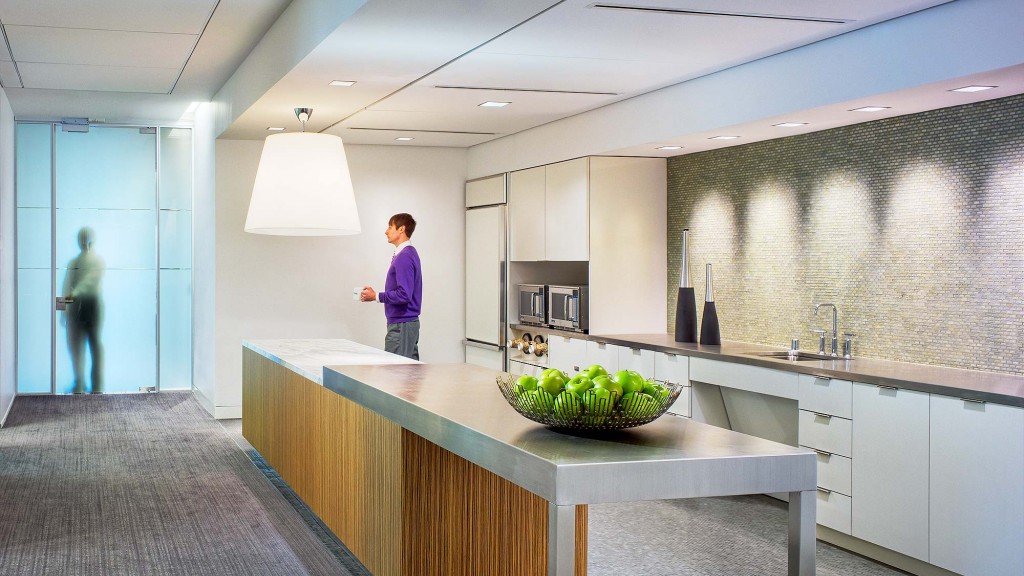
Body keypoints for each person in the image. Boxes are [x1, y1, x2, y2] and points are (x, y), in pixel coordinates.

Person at [361, 213, 422, 360]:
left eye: (390, 227)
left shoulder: (405, 256)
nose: (386, 231)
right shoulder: (406, 254)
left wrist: (376, 296)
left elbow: (404, 294)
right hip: (404, 323)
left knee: (395, 375)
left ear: (401, 229)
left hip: (402, 325)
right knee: (408, 375)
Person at [62, 226, 105, 394]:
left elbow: (89, 282)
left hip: (92, 307)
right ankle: (79, 383)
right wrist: (63, 310)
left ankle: (97, 386)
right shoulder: (73, 263)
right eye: (81, 238)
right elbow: (66, 286)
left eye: (85, 238)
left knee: (95, 345)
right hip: (75, 310)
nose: (83, 242)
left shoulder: (98, 261)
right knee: (75, 346)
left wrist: (72, 295)